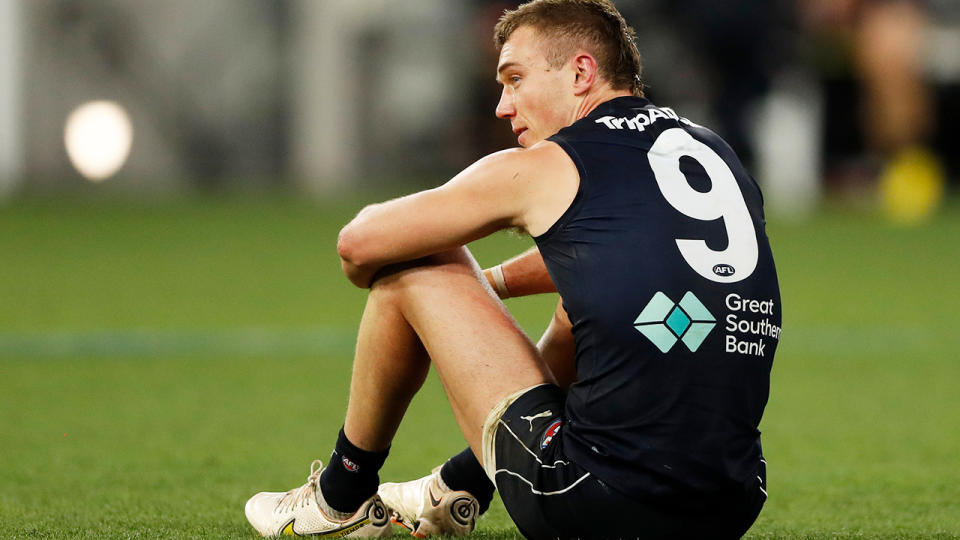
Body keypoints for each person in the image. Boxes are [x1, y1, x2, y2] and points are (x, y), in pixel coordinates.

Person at [245, 0, 781, 538]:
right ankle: (457, 488)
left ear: (580, 72)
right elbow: (631, 263)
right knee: (589, 304)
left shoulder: (552, 163)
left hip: (593, 501)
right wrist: (487, 290)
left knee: (416, 254)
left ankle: (340, 502)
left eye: (515, 79)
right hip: (730, 503)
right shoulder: (714, 154)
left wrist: (444, 293)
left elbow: (359, 246)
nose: (504, 106)